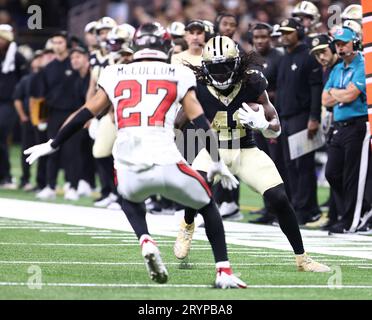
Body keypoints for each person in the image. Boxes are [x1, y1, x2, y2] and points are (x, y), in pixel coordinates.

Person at [24, 22, 247, 289]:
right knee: (208, 206)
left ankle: (145, 239)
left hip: (130, 169)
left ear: (136, 45)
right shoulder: (178, 72)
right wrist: (217, 161)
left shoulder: (114, 72)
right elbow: (198, 119)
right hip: (168, 163)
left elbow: (86, 111)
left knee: (127, 198)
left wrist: (54, 143)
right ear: (165, 46)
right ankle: (223, 270)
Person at [174, 35, 330, 274]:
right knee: (197, 187)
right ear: (205, 67)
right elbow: (178, 122)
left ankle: (302, 258)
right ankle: (187, 225)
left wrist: (262, 124)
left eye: (226, 66)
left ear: (237, 63)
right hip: (212, 150)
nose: (221, 72)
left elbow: (276, 127)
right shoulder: (198, 86)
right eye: (215, 68)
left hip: (246, 149)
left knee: (279, 197)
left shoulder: (252, 82)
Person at [322, 27, 370, 234]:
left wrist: (336, 93)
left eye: (344, 43)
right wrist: (340, 94)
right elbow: (325, 100)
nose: (340, 48)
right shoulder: (337, 69)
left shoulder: (363, 64)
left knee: (353, 176)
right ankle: (354, 212)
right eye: (338, 44)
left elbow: (350, 96)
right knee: (332, 173)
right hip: (339, 127)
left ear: (356, 43)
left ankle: (351, 219)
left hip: (357, 125)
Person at [276, 18, 323, 225]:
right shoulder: (285, 57)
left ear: (299, 32)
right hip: (286, 118)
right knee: (289, 166)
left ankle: (304, 210)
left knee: (302, 166)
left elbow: (315, 89)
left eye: (289, 32)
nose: (284, 35)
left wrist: (314, 117)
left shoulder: (307, 56)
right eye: (282, 32)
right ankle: (299, 206)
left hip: (302, 118)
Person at [250, 22, 287, 224]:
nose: (260, 41)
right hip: (256, 119)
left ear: (270, 37)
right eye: (256, 37)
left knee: (277, 165)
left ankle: (281, 209)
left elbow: (282, 88)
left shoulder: (278, 58)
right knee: (261, 164)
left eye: (263, 37)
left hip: (273, 117)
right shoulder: (252, 58)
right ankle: (268, 208)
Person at [0, 24, 27, 189]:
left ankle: (7, 176)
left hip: (9, 102)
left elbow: (24, 81)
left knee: (1, 136)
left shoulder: (17, 57)